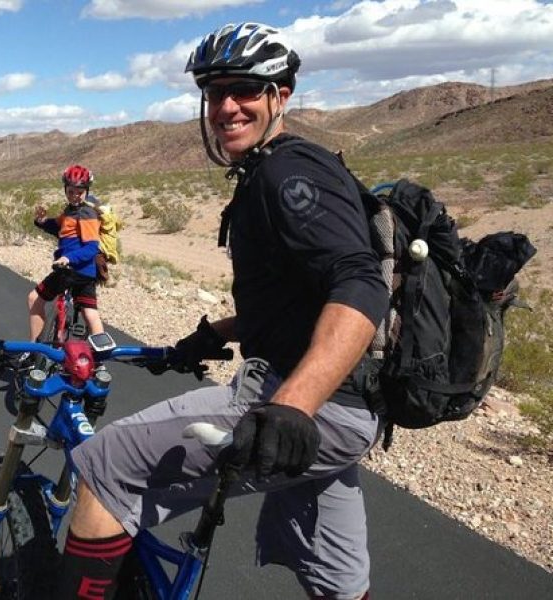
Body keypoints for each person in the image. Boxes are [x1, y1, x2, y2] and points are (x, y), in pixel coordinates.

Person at [55, 22, 388, 600]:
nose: (226, 106)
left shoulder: (288, 174)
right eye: (215, 92)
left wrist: (293, 408)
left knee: (103, 465)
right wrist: (212, 333)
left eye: (245, 90)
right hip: (349, 410)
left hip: (312, 405)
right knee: (339, 581)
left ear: (280, 95)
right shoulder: (275, 168)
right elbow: (297, 300)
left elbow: (359, 283)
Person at [28, 164, 104, 341]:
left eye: (79, 191)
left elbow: (91, 248)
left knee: (35, 299)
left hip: (75, 270)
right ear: (65, 190)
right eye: (71, 191)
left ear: (86, 191)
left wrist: (67, 257)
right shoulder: (70, 211)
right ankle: (100, 360)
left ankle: (33, 350)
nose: (75, 196)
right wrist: (42, 221)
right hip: (78, 271)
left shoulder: (86, 213)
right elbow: (59, 228)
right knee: (89, 312)